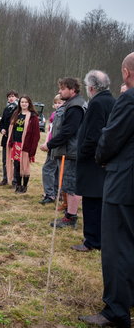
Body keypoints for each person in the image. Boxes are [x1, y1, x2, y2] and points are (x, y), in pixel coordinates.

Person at [79, 53, 134, 328]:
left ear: (126, 72)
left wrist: (100, 157)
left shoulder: (129, 98)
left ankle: (116, 310)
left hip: (124, 183)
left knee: (116, 248)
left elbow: (110, 138)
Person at [72, 70, 115, 252]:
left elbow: (94, 134)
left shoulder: (97, 103)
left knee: (91, 202)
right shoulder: (111, 100)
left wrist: (82, 153)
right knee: (99, 202)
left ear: (91, 87)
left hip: (92, 161)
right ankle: (99, 238)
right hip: (104, 159)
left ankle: (92, 240)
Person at [40, 77, 86, 228]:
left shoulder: (76, 107)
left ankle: (71, 217)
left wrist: (50, 144)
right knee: (67, 184)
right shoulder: (70, 104)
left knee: (71, 184)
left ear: (72, 90)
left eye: (63, 88)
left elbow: (68, 131)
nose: (59, 91)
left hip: (71, 152)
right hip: (66, 150)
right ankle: (69, 213)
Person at [6, 95, 40, 193]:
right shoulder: (16, 114)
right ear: (19, 103)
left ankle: (24, 186)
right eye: (22, 102)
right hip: (16, 143)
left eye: (25, 102)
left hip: (25, 145)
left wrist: (32, 149)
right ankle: (18, 185)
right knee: (16, 165)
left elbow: (36, 135)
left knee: (24, 166)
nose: (23, 104)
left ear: (29, 103)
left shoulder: (33, 117)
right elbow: (12, 128)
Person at [39, 95, 64, 204]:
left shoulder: (61, 114)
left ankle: (50, 194)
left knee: (48, 169)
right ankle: (55, 192)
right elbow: (50, 132)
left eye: (60, 103)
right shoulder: (54, 115)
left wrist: (50, 144)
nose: (58, 105)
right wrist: (46, 142)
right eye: (56, 103)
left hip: (56, 146)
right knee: (55, 169)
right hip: (51, 145)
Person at [0, 90, 19, 186]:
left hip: (15, 138)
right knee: (5, 159)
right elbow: (2, 122)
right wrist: (2, 129)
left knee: (15, 159)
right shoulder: (6, 108)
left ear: (16, 97)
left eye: (13, 96)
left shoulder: (19, 108)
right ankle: (5, 178)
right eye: (9, 96)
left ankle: (14, 180)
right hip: (5, 138)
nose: (11, 98)